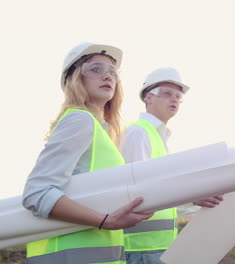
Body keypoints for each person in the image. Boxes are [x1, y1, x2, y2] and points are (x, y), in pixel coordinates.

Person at [22, 42, 154, 264]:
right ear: (74, 79)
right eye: (96, 69)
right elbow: (37, 192)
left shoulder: (101, 131)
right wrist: (105, 221)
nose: (108, 76)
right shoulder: (80, 120)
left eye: (113, 72)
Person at [120, 67, 223, 264]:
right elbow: (141, 194)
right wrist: (191, 197)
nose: (174, 99)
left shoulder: (159, 138)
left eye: (178, 96)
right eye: (167, 94)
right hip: (140, 249)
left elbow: (163, 200)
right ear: (148, 98)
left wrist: (193, 200)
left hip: (156, 247)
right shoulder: (138, 134)